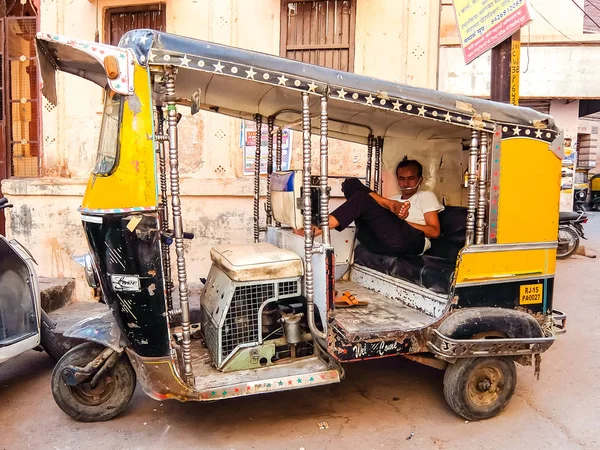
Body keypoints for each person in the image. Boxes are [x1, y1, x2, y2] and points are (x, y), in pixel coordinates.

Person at [299, 156, 444, 256]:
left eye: (411, 179)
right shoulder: (394, 198)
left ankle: (314, 230)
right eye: (402, 179)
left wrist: (402, 223)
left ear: (420, 180)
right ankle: (389, 205)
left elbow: (434, 232)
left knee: (362, 198)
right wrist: (390, 208)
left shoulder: (426, 196)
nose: (406, 183)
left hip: (412, 242)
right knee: (351, 184)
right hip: (382, 241)